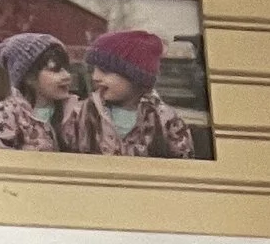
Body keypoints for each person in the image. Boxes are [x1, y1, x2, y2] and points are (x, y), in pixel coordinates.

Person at [68, 25, 203, 155]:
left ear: (135, 77)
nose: (95, 77)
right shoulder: (82, 114)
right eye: (94, 69)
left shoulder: (166, 121)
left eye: (105, 70)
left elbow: (184, 167)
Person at [0, 30, 79, 149]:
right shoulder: (5, 115)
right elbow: (0, 160)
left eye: (66, 68)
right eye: (56, 69)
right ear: (28, 77)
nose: (67, 76)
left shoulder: (76, 111)